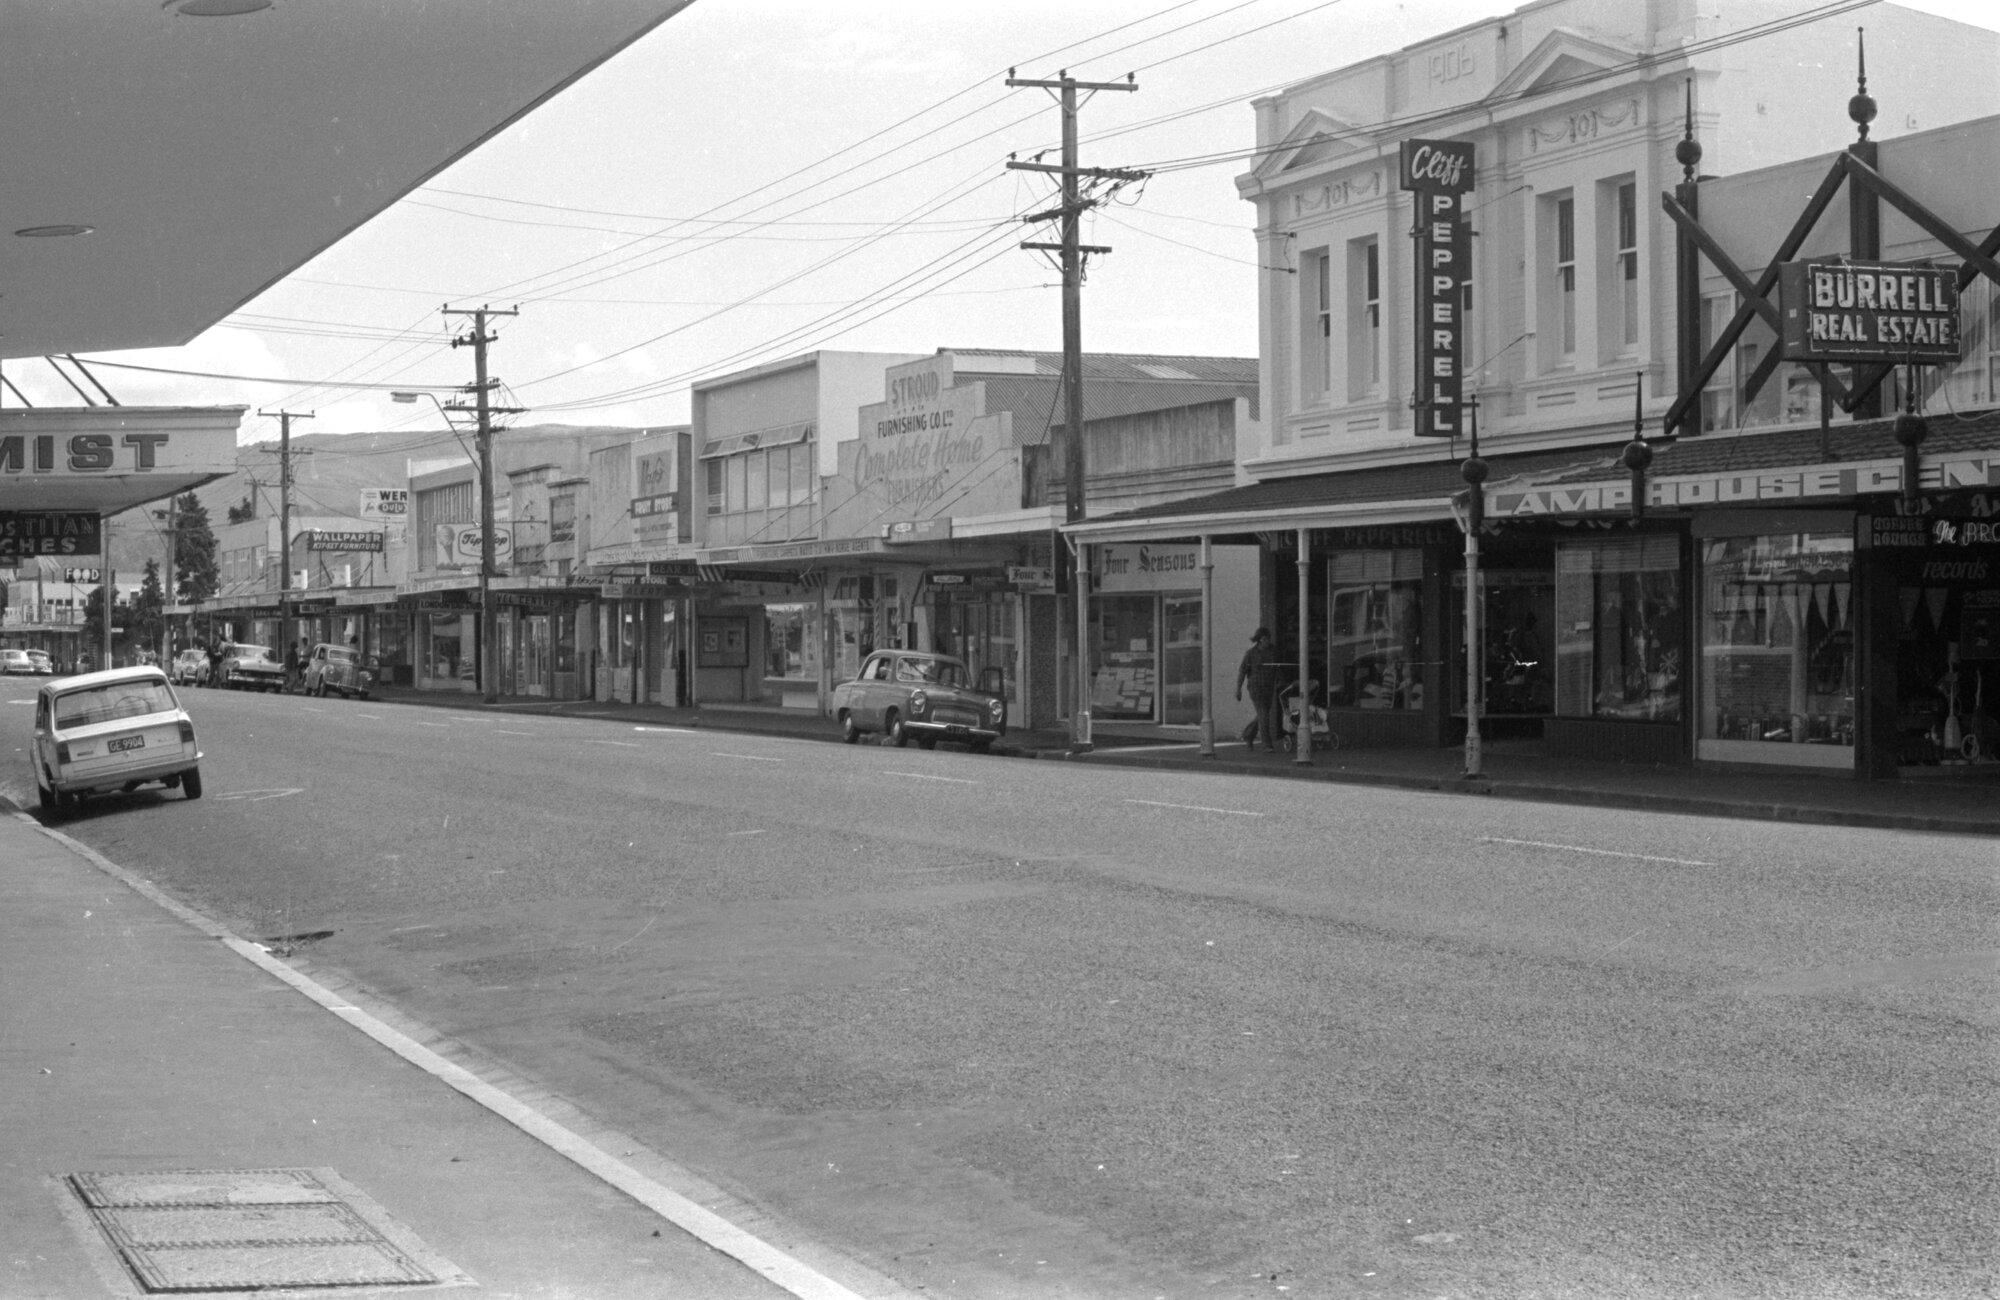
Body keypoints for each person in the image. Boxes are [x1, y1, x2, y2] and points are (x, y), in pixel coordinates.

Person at [1235, 626, 1279, 752]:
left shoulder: (1273, 651)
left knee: (1262, 715)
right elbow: (1242, 671)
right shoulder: (1251, 654)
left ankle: (1248, 736)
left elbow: (1277, 667)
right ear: (1259, 640)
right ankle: (1267, 744)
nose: (1267, 641)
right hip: (1256, 687)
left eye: (1268, 639)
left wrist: (1281, 681)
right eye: (1264, 639)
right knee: (1263, 714)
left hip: (1269, 687)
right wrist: (1238, 689)